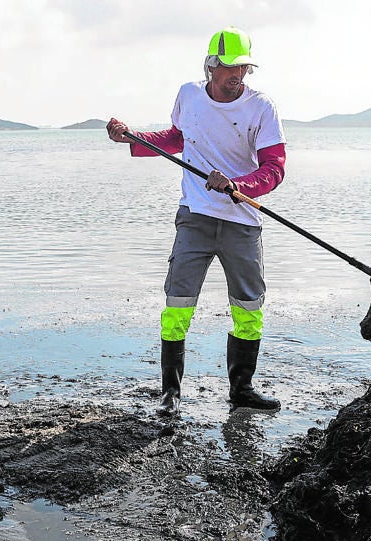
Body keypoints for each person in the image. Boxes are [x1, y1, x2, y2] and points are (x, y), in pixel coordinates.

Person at [107, 26, 286, 416]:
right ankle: (170, 393)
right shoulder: (189, 95)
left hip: (242, 220)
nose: (236, 75)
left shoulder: (261, 107)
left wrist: (239, 184)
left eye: (243, 68)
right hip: (195, 215)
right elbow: (176, 138)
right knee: (178, 302)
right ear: (210, 66)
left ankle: (242, 389)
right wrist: (132, 137)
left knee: (248, 305)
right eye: (228, 68)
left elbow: (274, 169)